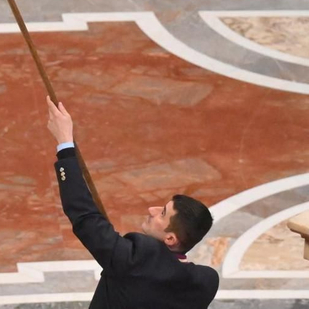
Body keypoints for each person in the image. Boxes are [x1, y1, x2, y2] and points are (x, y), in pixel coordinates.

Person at [46, 99, 218, 309]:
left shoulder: (136, 259)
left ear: (170, 238)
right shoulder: (206, 282)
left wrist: (64, 143)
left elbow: (85, 216)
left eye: (163, 213)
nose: (152, 210)